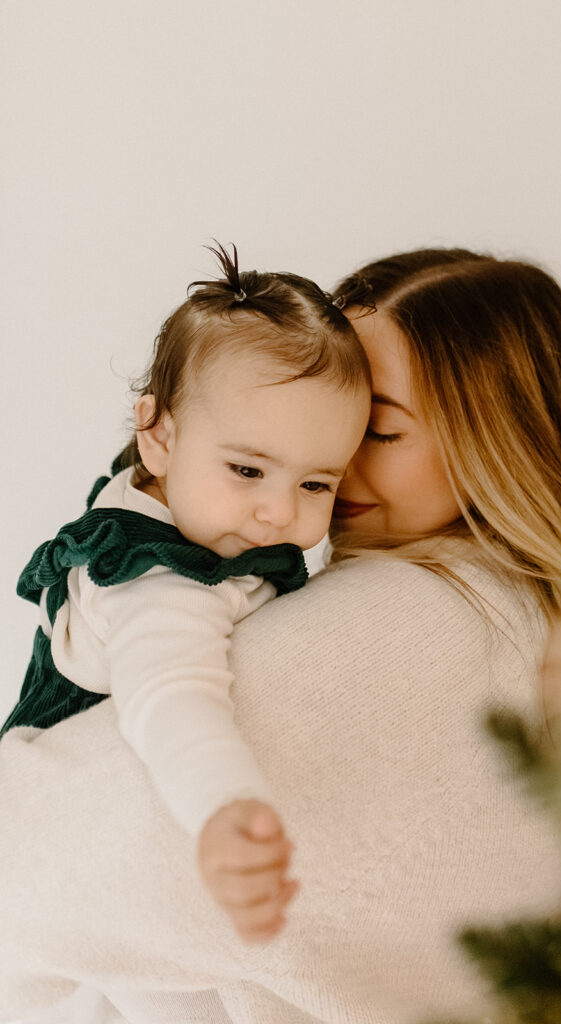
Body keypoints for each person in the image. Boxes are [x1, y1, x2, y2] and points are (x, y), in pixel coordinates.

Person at [0, 246, 561, 1024]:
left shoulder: (411, 627)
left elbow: (36, 849)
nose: (326, 467)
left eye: (375, 433)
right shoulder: (538, 624)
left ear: (493, 442)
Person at [0, 242, 371, 942]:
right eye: (247, 469)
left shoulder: (165, 498)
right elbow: (170, 696)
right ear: (157, 436)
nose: (279, 513)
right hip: (79, 854)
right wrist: (224, 807)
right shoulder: (161, 580)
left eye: (316, 483)